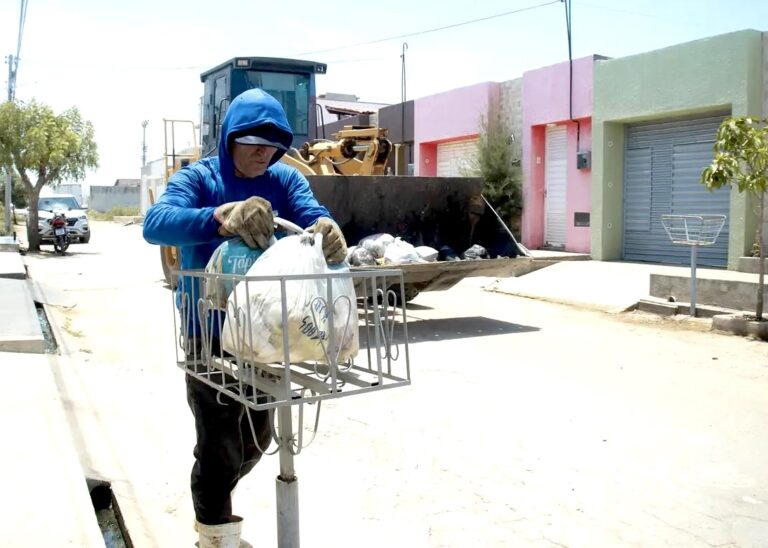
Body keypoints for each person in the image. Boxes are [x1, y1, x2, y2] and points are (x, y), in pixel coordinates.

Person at [143, 88, 347, 547]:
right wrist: (221, 216)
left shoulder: (285, 181)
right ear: (228, 137)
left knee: (255, 441)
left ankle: (214, 504)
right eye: (251, 141)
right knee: (220, 446)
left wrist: (326, 228)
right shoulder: (199, 178)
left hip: (264, 338)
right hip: (208, 334)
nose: (263, 152)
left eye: (272, 143)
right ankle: (214, 532)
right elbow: (156, 223)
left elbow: (314, 216)